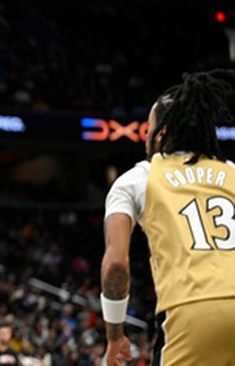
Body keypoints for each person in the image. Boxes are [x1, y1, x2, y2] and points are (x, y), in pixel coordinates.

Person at [101, 70, 235, 366]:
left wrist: (114, 335)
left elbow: (115, 264)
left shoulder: (136, 179)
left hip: (193, 310)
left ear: (160, 133)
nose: (145, 135)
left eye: (148, 127)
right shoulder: (233, 173)